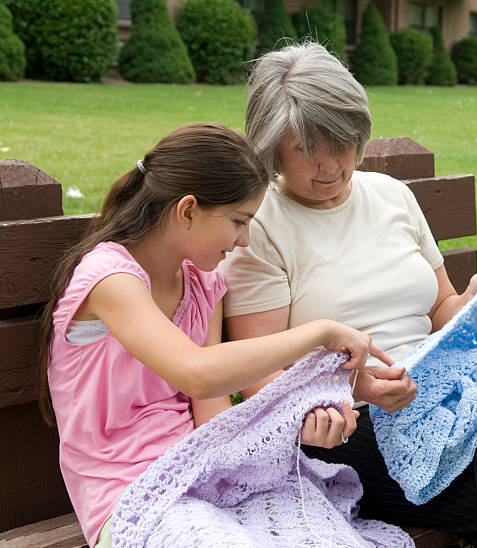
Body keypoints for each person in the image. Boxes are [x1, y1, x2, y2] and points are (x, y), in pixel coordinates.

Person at [220, 43, 477, 547]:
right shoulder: (261, 225)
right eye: (308, 149)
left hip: (441, 395)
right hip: (345, 426)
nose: (330, 164)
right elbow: (257, 377)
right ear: (271, 148)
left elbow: (440, 309)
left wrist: (473, 298)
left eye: (343, 142)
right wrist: (356, 391)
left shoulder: (392, 194)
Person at [38, 122, 390, 548]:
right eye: (239, 221)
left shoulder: (204, 286)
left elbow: (212, 413)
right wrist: (319, 333)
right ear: (187, 210)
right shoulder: (109, 277)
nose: (243, 241)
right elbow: (196, 373)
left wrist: (301, 418)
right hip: (132, 497)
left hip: (205, 476)